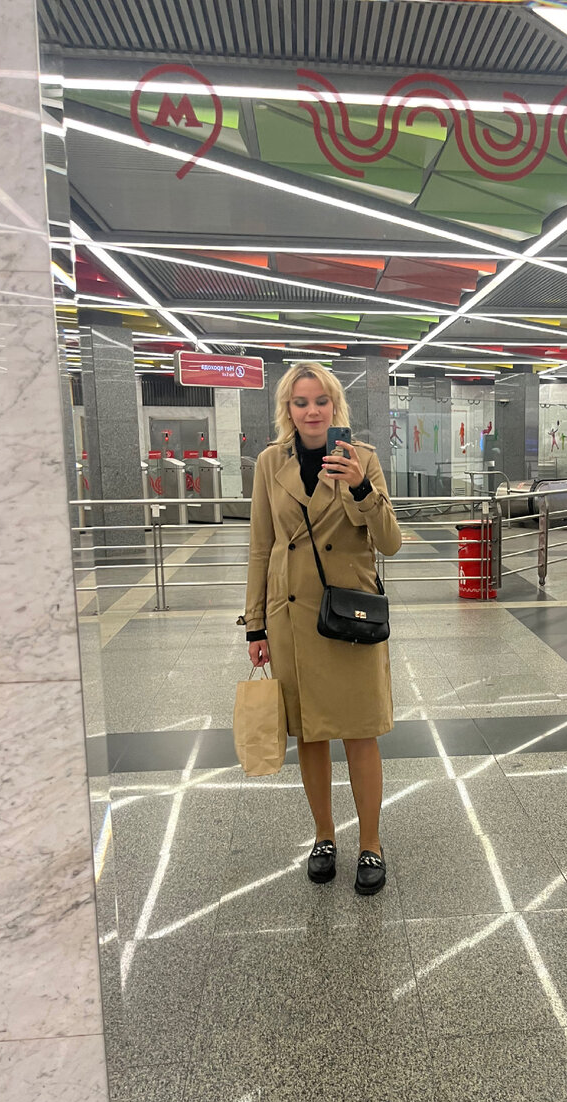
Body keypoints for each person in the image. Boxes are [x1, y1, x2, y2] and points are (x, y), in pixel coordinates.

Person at [242, 363, 402, 895]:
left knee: (360, 731)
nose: (312, 411)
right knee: (310, 733)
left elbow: (390, 541)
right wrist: (256, 625)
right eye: (300, 402)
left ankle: (371, 842)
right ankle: (324, 836)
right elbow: (261, 546)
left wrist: (360, 488)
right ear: (287, 410)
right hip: (293, 618)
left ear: (336, 406)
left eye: (321, 401)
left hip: (350, 617)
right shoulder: (271, 463)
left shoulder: (363, 460)